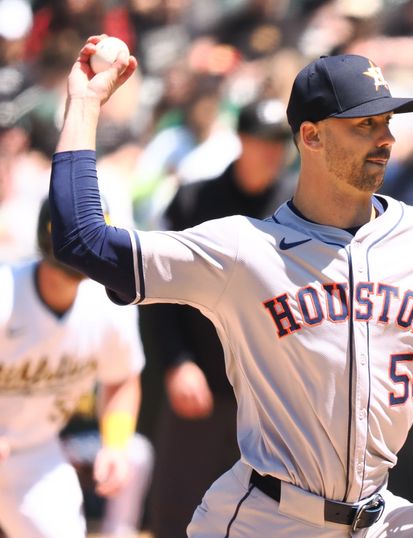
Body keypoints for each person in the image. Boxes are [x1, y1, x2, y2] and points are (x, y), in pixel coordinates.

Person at [49, 35, 413, 537]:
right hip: (267, 518)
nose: (386, 138)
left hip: (378, 515)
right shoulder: (242, 249)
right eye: (365, 124)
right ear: (311, 135)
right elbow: (83, 242)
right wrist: (85, 104)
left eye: (388, 122)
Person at [142, 98, 296, 538]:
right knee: (178, 509)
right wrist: (176, 361)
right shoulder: (195, 198)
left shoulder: (298, 205)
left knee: (271, 517)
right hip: (205, 379)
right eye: (261, 140)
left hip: (271, 390)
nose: (271, 151)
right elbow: (159, 287)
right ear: (242, 141)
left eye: (278, 142)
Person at [0, 200, 145, 538]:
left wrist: (116, 443)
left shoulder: (111, 306)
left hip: (36, 453)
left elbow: (122, 379)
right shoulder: (7, 290)